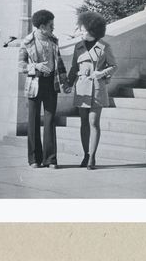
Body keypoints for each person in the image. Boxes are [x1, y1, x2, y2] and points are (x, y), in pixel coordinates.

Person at [66, 11, 117, 170]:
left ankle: (92, 157)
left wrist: (101, 73)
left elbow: (114, 66)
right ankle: (85, 154)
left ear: (93, 30)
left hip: (96, 88)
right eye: (81, 29)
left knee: (94, 122)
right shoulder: (78, 47)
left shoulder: (104, 47)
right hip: (82, 87)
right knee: (83, 123)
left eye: (84, 29)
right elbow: (74, 67)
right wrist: (68, 83)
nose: (81, 31)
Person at [18, 9, 68, 169]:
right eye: (50, 25)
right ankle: (34, 159)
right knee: (32, 121)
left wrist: (65, 83)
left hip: (51, 84)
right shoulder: (27, 42)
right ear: (41, 26)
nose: (53, 28)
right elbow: (21, 66)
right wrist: (36, 66)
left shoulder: (54, 40)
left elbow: (59, 63)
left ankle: (50, 159)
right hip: (34, 84)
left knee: (50, 120)